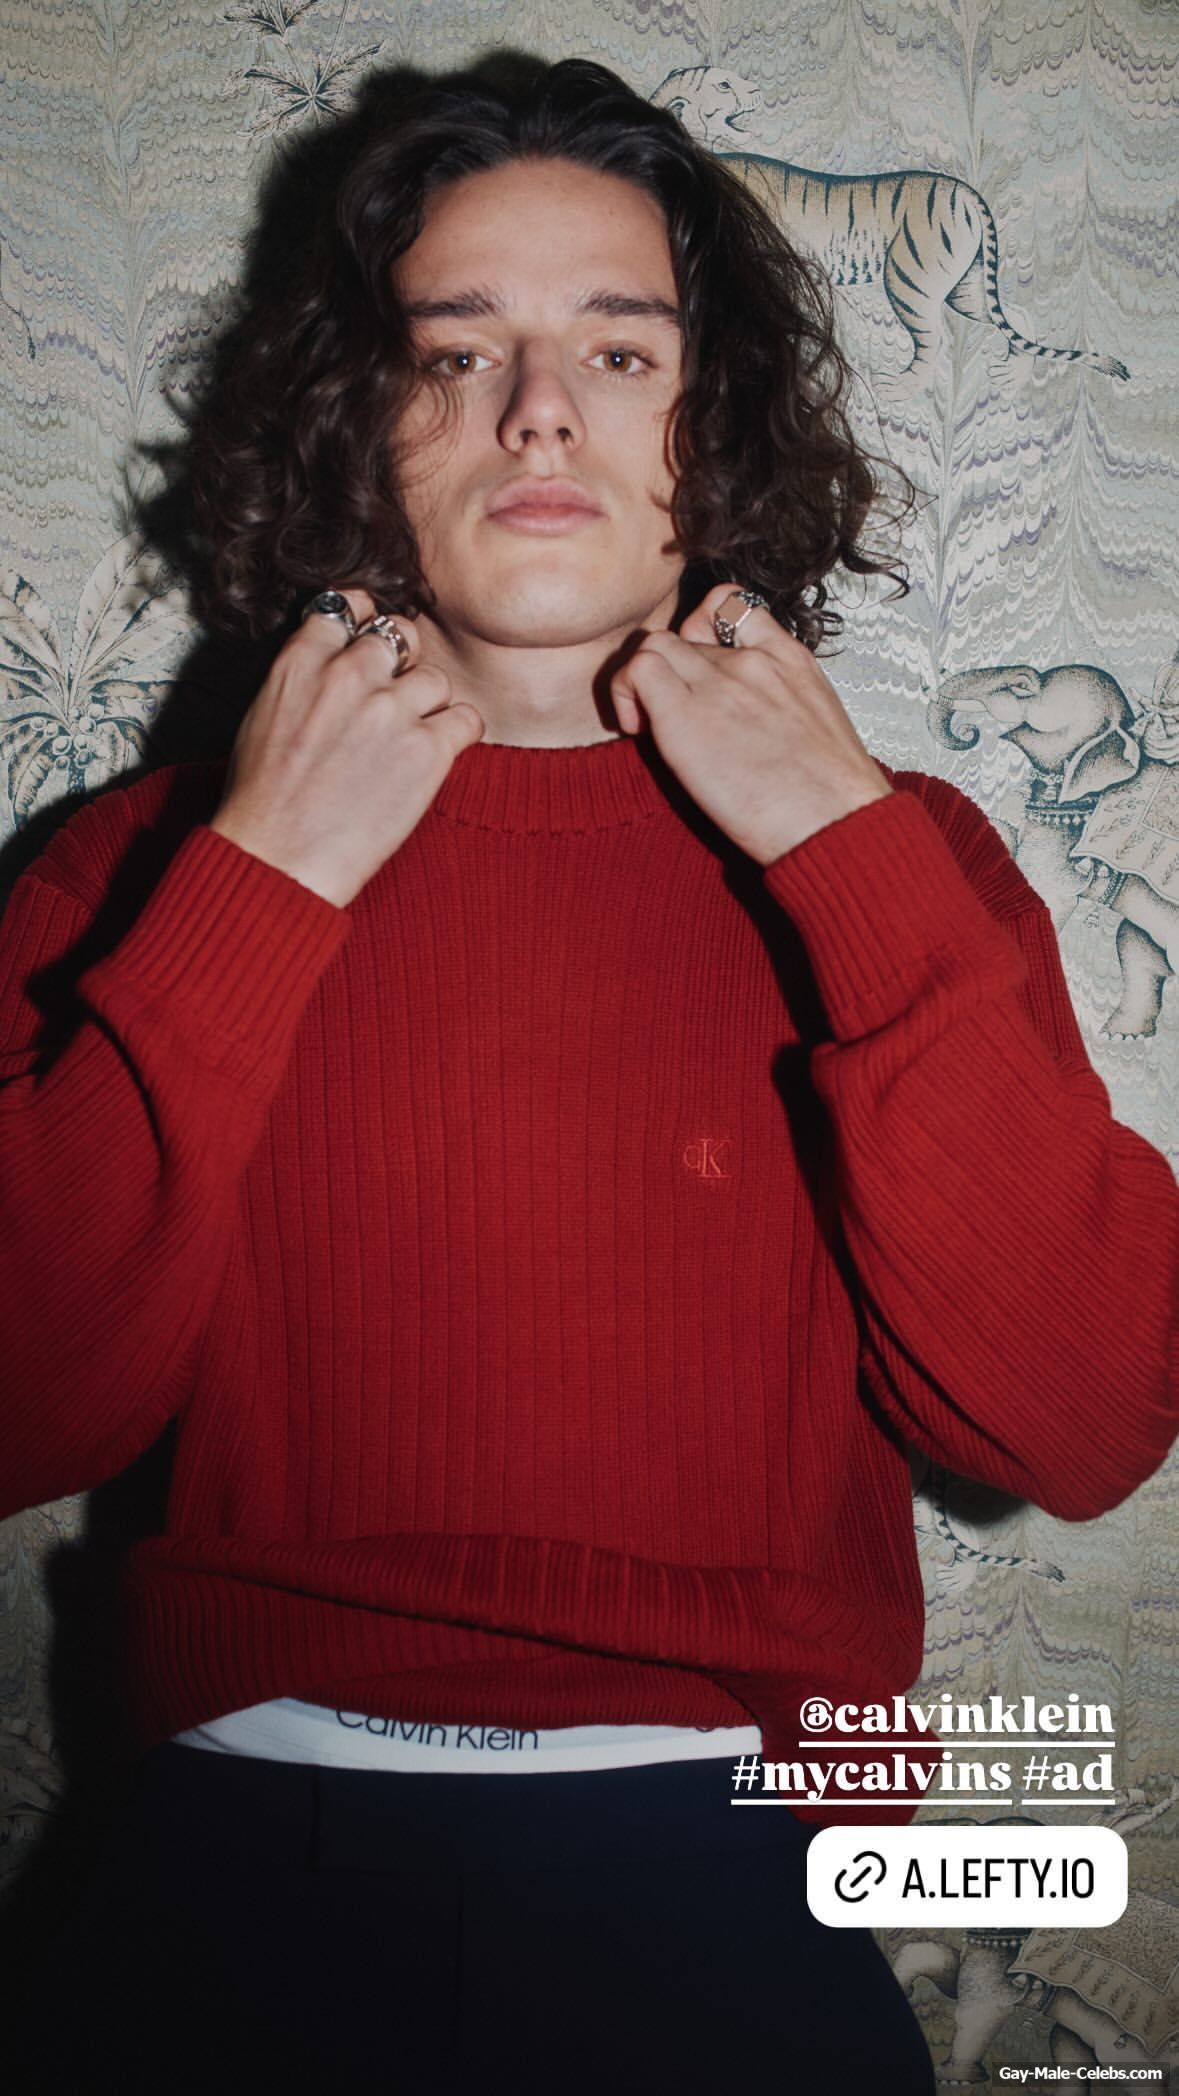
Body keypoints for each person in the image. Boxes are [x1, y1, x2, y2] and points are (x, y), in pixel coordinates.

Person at [2, 51, 1176, 2096]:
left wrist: (845, 862)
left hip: (737, 1867)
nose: (536, 410)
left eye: (619, 351)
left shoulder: (907, 857)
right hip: (230, 1854)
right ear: (354, 416)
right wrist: (257, 888)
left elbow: (1078, 1423)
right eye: (452, 351)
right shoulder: (148, 860)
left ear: (713, 416)